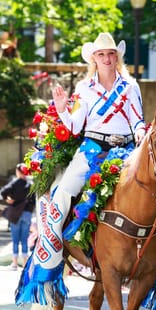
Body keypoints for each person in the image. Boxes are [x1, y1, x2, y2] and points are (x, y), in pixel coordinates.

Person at [15, 32, 146, 307]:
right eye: (101, 55)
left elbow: (137, 121)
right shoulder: (85, 88)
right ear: (94, 59)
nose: (107, 59)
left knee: (155, 194)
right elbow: (75, 127)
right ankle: (49, 255)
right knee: (61, 195)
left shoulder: (131, 86)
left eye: (111, 54)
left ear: (117, 57)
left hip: (125, 152)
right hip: (91, 150)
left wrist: (143, 135)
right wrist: (62, 110)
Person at [0, 163, 34, 270]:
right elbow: (33, 201)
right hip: (27, 215)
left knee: (15, 240)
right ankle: (24, 264)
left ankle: (14, 264)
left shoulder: (15, 183)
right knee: (24, 240)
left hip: (15, 214)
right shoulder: (30, 184)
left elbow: (3, 192)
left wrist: (8, 199)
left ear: (18, 172)